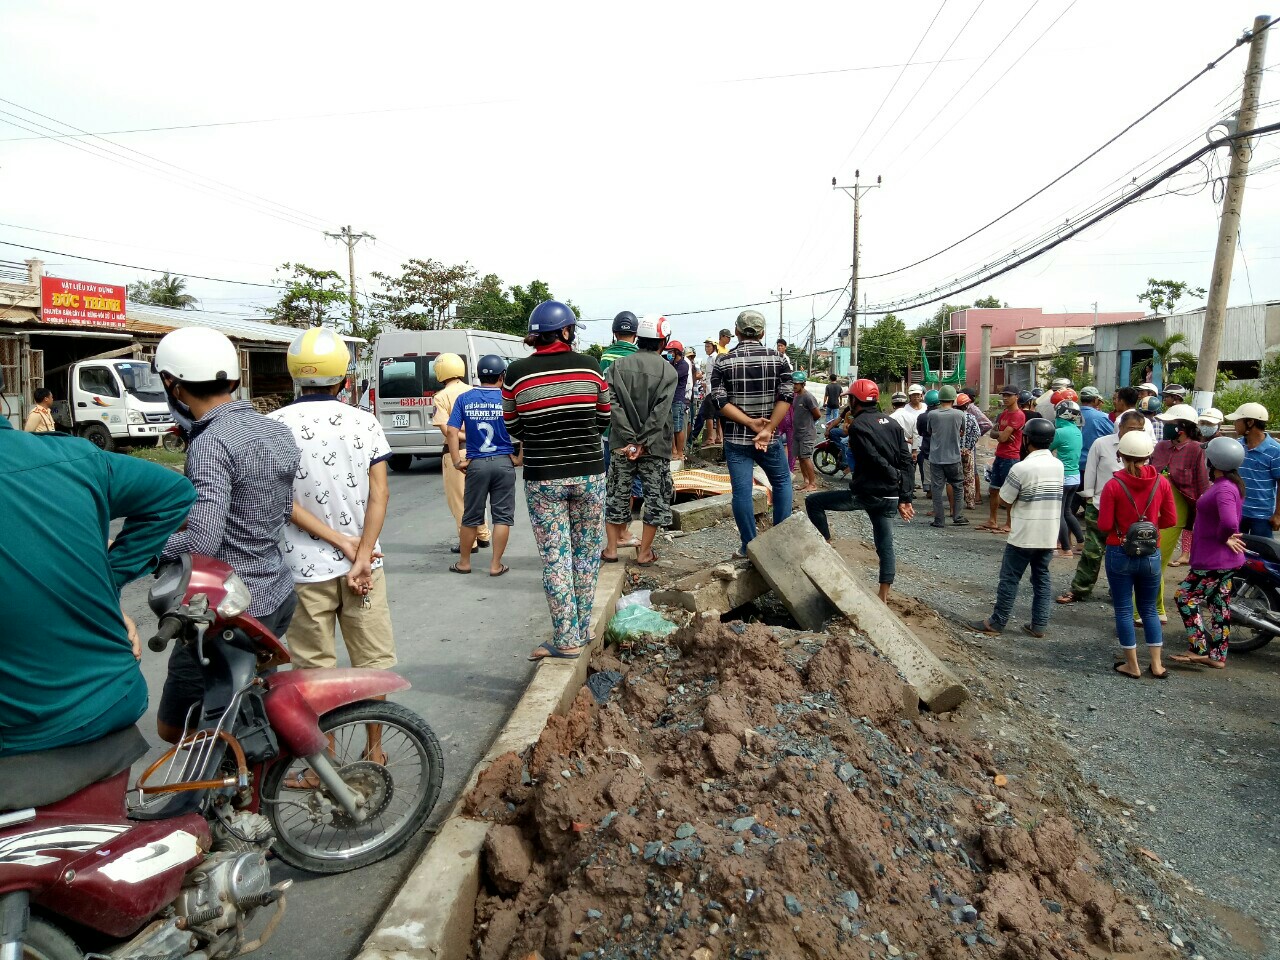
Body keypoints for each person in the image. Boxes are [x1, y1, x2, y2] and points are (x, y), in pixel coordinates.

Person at [0, 413, 195, 757]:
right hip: (112, 699)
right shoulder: (76, 457)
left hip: (20, 733)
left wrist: (108, 581)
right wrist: (109, 582)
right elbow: (175, 494)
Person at [154, 327, 300, 743]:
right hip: (275, 592)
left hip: (227, 608)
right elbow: (273, 507)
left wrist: (149, 548)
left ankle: (212, 798)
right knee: (243, 709)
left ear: (173, 385)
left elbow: (203, 541)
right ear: (233, 380)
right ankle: (248, 791)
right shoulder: (275, 430)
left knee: (176, 726)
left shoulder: (211, 442)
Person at [503, 300, 610, 661]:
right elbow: (603, 418)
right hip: (589, 472)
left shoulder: (515, 374)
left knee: (556, 559)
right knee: (585, 555)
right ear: (566, 332)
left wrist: (538, 436)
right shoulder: (590, 367)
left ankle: (566, 639)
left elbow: (512, 426)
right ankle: (582, 628)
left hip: (543, 477)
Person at [804, 379, 915, 601]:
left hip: (867, 494)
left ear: (855, 400)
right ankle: (883, 595)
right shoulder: (893, 424)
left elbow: (873, 458)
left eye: (850, 398)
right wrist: (905, 497)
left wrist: (893, 477)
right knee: (885, 545)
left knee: (813, 502)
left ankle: (826, 545)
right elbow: (907, 461)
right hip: (890, 497)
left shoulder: (859, 426)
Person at [967, 418, 1063, 638]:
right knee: (1042, 579)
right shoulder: (1058, 465)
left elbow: (1004, 501)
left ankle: (997, 622)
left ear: (1027, 439)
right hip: (1048, 534)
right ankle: (1038, 625)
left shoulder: (1022, 468)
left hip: (1024, 535)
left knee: (1010, 578)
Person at [709, 309, 794, 556]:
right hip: (769, 440)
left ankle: (749, 546)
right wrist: (767, 428)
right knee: (781, 481)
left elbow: (719, 401)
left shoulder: (723, 361)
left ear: (736, 332)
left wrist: (749, 423)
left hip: (736, 439)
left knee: (742, 491)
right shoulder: (779, 360)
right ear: (763, 333)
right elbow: (786, 396)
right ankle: (780, 544)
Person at [1098, 430, 1176, 679]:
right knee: (1150, 610)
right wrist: (1149, 527)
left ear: (1120, 455)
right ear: (1148, 456)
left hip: (1119, 550)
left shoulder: (1113, 485)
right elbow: (1171, 519)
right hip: (1151, 554)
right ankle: (1156, 664)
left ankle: (1132, 665)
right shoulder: (1161, 482)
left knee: (1123, 609)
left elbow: (1104, 524)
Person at [603, 316, 677, 567]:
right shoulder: (669, 371)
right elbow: (661, 413)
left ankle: (612, 549)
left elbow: (611, 406)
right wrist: (643, 442)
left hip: (621, 445)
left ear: (638, 338)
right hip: (655, 447)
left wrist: (630, 440)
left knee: (616, 494)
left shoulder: (617, 367)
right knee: (655, 497)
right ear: (663, 341)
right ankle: (644, 552)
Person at [1171, 437, 1247, 669]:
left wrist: (1225, 536)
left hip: (1214, 560)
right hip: (1224, 560)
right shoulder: (1230, 485)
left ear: (1213, 462)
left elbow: (1229, 521)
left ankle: (1199, 649)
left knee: (1184, 597)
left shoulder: (1224, 488)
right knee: (1218, 604)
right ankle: (1218, 656)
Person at [1057, 411, 1147, 605]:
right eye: (1131, 429)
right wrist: (1090, 497)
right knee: (1092, 551)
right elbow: (1090, 471)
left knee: (1126, 552)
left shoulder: (1143, 448)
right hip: (1099, 506)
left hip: (1128, 512)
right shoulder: (1102, 444)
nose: (1135, 433)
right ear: (1120, 427)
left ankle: (1119, 593)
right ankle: (1080, 589)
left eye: (1140, 430)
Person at [446, 354, 521, 576]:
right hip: (504, 463)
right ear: (502, 376)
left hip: (476, 463)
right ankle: (496, 565)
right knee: (502, 517)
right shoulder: (508, 399)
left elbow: (451, 431)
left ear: (478, 376)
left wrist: (457, 461)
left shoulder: (464, 398)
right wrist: (519, 458)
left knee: (471, 515)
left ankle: (465, 562)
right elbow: (525, 428)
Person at [1148, 403, 1209, 617]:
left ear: (1181, 428)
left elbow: (1201, 485)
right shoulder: (1161, 447)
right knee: (1151, 560)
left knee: (1157, 560)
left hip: (1178, 512)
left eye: (1169, 424)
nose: (1164, 426)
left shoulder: (1195, 449)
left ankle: (1153, 609)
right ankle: (1155, 608)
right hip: (1152, 508)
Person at [433, 352, 490, 555]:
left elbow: (448, 431)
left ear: (440, 371)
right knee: (476, 496)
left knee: (459, 500)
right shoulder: (474, 391)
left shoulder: (440, 397)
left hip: (455, 452)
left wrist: (460, 434)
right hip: (478, 451)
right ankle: (483, 534)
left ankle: (469, 543)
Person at [1226, 402, 1280, 538]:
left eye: (1238, 421)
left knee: (1262, 555)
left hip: (1262, 516)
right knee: (1235, 554)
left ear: (1250, 422)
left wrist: (1278, 514)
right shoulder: (1237, 447)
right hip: (1238, 511)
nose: (1234, 424)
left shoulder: (1275, 451)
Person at [981, 386, 1025, 533]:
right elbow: (993, 433)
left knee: (1010, 493)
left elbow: (1003, 437)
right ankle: (992, 520)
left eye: (1008, 395)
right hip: (1000, 455)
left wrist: (999, 434)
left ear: (1017, 397)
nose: (1005, 398)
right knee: (993, 489)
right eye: (1004, 395)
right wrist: (999, 433)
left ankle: (1009, 523)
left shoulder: (1018, 415)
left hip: (1011, 458)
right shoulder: (1004, 414)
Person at [926, 385, 968, 528]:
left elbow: (929, 431)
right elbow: (962, 431)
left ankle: (939, 520)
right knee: (957, 486)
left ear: (940, 398)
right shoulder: (959, 414)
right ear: (953, 398)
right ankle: (958, 516)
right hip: (954, 457)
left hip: (936, 457)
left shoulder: (932, 415)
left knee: (937, 489)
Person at [1050, 398, 1084, 558]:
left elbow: (1047, 447)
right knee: (1068, 512)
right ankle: (1081, 540)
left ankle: (1065, 549)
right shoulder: (1077, 431)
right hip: (1075, 477)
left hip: (1063, 477)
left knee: (1059, 513)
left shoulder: (1060, 432)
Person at [791, 371, 822, 492]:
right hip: (797, 433)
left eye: (797, 384)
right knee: (800, 457)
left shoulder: (808, 397)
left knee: (806, 457)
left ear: (803, 384)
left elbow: (818, 414)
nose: (794, 386)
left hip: (807, 433)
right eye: (793, 383)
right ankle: (806, 481)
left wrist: (808, 424)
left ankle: (812, 484)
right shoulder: (796, 396)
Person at [692, 338, 722, 445]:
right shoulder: (709, 358)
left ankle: (711, 438)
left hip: (712, 390)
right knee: (716, 415)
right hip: (709, 388)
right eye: (705, 347)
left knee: (709, 415)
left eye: (708, 346)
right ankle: (718, 437)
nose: (706, 349)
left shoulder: (715, 358)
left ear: (714, 347)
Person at [1078, 386, 1115, 471]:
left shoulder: (1071, 414)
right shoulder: (1101, 417)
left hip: (1074, 464)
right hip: (1092, 464)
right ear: (1095, 400)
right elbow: (1114, 434)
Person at [666, 339, 692, 461]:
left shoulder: (683, 365)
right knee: (670, 427)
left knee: (678, 427)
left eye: (671, 351)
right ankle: (673, 450)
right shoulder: (671, 363)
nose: (669, 353)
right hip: (669, 399)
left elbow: (671, 377)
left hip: (678, 399)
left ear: (677, 352)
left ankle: (680, 452)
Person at [956, 393, 982, 509]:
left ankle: (957, 503)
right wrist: (969, 447)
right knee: (969, 477)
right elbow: (977, 433)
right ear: (967, 405)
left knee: (955, 478)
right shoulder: (971, 417)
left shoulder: (953, 417)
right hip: (968, 452)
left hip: (954, 452)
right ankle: (970, 502)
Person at [901, 384, 927, 489]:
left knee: (924, 467)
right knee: (910, 468)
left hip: (924, 443)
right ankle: (910, 488)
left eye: (918, 395)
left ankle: (927, 488)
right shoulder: (905, 409)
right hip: (910, 444)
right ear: (909, 396)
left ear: (921, 396)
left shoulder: (925, 407)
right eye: (913, 395)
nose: (916, 397)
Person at [916, 389, 940, 496]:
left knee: (927, 472)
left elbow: (920, 432)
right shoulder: (943, 415)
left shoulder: (922, 417)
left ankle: (929, 491)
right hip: (941, 449)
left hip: (927, 448)